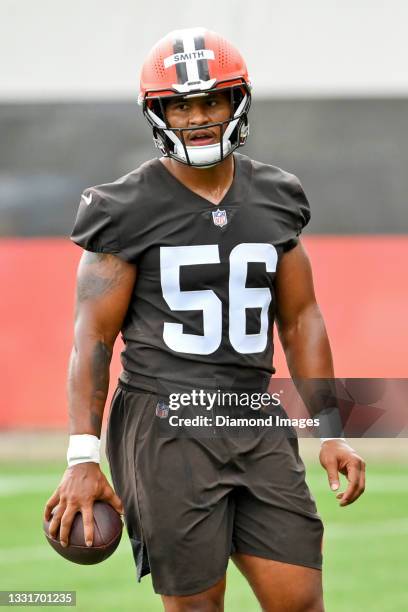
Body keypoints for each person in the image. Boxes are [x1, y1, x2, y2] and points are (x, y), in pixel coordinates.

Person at [44, 28, 366, 612]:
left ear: (237, 103)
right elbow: (91, 339)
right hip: (165, 422)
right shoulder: (123, 207)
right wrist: (82, 457)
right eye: (181, 104)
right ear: (158, 112)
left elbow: (300, 319)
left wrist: (331, 428)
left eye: (210, 101)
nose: (196, 118)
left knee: (300, 601)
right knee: (197, 607)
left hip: (254, 413)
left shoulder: (276, 195)